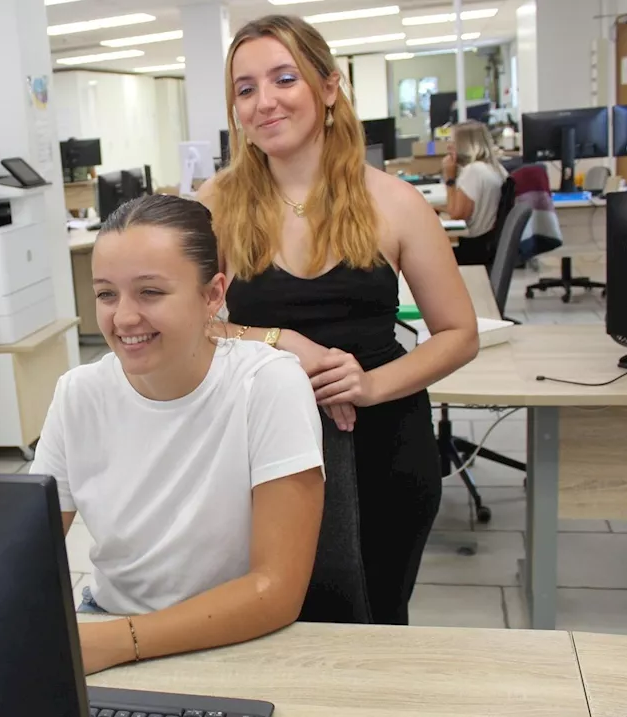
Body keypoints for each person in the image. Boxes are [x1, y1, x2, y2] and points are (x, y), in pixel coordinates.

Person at [198, 15, 479, 626]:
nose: (264, 101)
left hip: (384, 442)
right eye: (245, 89)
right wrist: (281, 342)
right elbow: (185, 323)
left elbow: (460, 333)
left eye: (283, 79)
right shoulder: (214, 205)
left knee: (378, 619)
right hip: (263, 441)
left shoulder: (393, 201)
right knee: (278, 619)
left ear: (328, 89)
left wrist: (372, 385)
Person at [31, 194, 325, 675]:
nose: (123, 317)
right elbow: (25, 551)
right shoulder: (79, 393)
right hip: (110, 623)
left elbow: (276, 588)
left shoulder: (267, 383)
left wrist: (118, 643)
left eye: (150, 292)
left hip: (233, 636)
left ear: (212, 295)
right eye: (106, 294)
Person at [442, 120, 509, 263]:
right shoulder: (495, 168)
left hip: (473, 249)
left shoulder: (473, 171)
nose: (449, 147)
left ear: (465, 145)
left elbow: (457, 215)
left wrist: (449, 178)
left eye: (453, 142)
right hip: (486, 246)